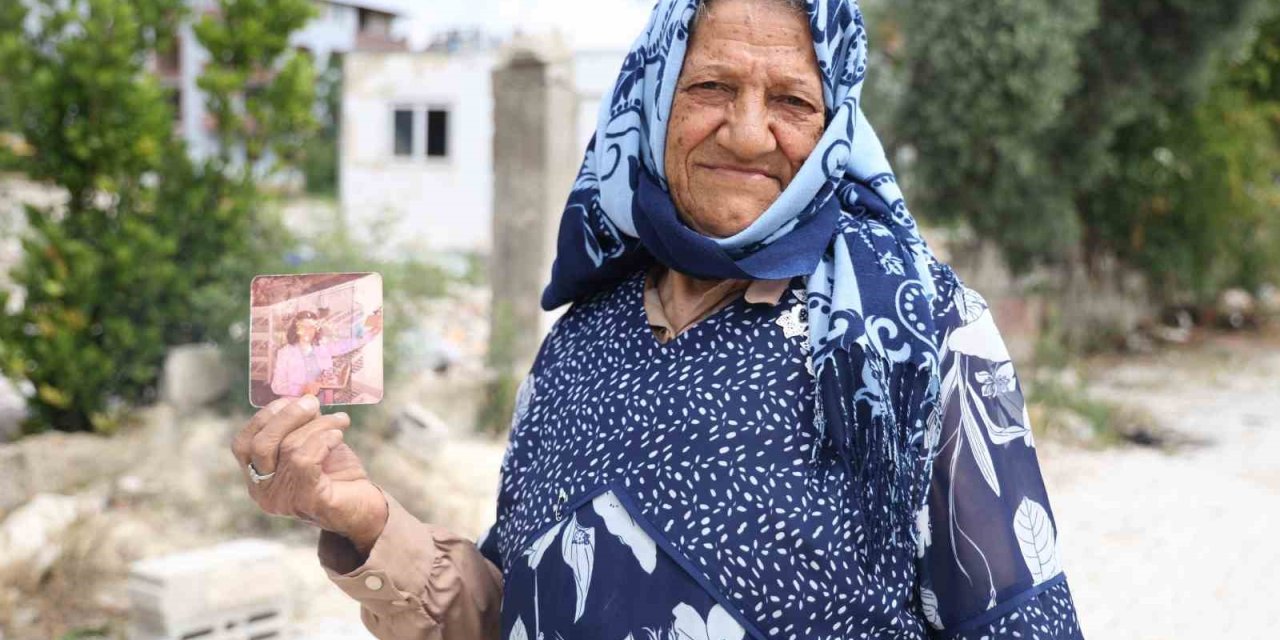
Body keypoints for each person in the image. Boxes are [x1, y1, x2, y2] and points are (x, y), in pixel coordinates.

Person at [231, 0, 1085, 637]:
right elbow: (515, 615)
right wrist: (368, 521)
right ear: (651, 98)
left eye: (792, 100)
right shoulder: (583, 338)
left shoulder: (914, 331)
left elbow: (1018, 617)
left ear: (835, 128)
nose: (749, 134)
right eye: (712, 85)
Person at [269, 308, 383, 402]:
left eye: (312, 326)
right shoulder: (285, 353)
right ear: (295, 329)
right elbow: (277, 386)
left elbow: (348, 344)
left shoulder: (323, 348)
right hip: (294, 405)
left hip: (322, 403)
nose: (308, 330)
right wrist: (302, 389)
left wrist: (372, 332)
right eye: (303, 326)